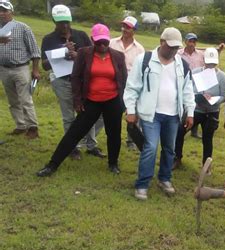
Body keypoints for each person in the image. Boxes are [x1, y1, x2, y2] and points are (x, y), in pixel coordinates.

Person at [36, 24, 127, 177]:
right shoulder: (84, 53)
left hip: (112, 100)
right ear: (92, 40)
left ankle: (113, 163)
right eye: (98, 42)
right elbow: (76, 77)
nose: (102, 45)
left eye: (105, 41)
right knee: (74, 132)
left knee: (114, 133)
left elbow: (123, 79)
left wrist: (122, 102)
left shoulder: (118, 56)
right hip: (91, 100)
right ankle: (52, 164)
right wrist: (78, 101)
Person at [123, 27, 195, 200]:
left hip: (173, 116)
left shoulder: (182, 64)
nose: (173, 50)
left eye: (176, 47)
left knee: (169, 149)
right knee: (150, 148)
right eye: (170, 46)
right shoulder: (144, 60)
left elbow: (188, 90)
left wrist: (190, 112)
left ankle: (164, 178)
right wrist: (131, 110)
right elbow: (132, 87)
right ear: (161, 42)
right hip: (151, 114)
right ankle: (142, 184)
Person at [41, 4, 105, 160]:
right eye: (60, 22)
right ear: (54, 21)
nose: (64, 26)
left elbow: (93, 57)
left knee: (87, 114)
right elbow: (44, 65)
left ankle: (91, 145)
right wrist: (61, 53)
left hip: (82, 82)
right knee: (68, 116)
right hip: (62, 81)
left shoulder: (81, 35)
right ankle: (73, 147)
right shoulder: (49, 39)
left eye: (67, 22)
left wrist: (78, 55)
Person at [174, 48, 225, 169]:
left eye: (213, 63)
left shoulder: (222, 76)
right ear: (204, 60)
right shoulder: (196, 72)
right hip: (196, 109)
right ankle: (177, 158)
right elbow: (189, 88)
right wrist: (196, 96)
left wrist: (213, 100)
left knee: (207, 139)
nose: (210, 66)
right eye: (208, 63)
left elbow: (224, 95)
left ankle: (206, 165)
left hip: (211, 111)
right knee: (180, 131)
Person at [0, 0, 41, 139]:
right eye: (0, 11)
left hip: (21, 68)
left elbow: (35, 51)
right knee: (13, 101)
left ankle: (33, 128)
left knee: (25, 99)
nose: (2, 13)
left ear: (12, 12)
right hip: (4, 69)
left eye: (5, 10)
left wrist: (35, 70)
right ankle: (21, 125)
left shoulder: (23, 27)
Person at [178, 32, 225, 139]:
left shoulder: (200, 54)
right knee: (187, 107)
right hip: (184, 78)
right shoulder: (179, 53)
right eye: (190, 41)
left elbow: (212, 55)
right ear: (185, 41)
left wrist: (219, 49)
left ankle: (194, 131)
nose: (192, 43)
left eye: (194, 41)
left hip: (201, 80)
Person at [109, 16, 145, 150]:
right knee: (111, 112)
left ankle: (132, 140)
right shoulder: (112, 43)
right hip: (113, 83)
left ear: (134, 30)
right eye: (123, 26)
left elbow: (141, 70)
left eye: (128, 27)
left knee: (133, 112)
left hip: (131, 84)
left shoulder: (139, 49)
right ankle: (111, 137)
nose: (125, 29)